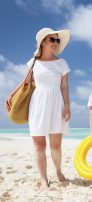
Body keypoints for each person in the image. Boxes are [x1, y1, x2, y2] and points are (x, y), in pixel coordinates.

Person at [5, 28, 71, 189]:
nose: (55, 43)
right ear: (43, 42)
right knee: (39, 146)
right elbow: (25, 81)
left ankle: (58, 169)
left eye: (57, 40)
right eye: (52, 39)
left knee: (56, 147)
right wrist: (11, 94)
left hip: (56, 103)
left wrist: (67, 106)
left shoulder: (62, 63)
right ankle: (43, 179)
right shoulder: (34, 62)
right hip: (38, 103)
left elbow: (64, 87)